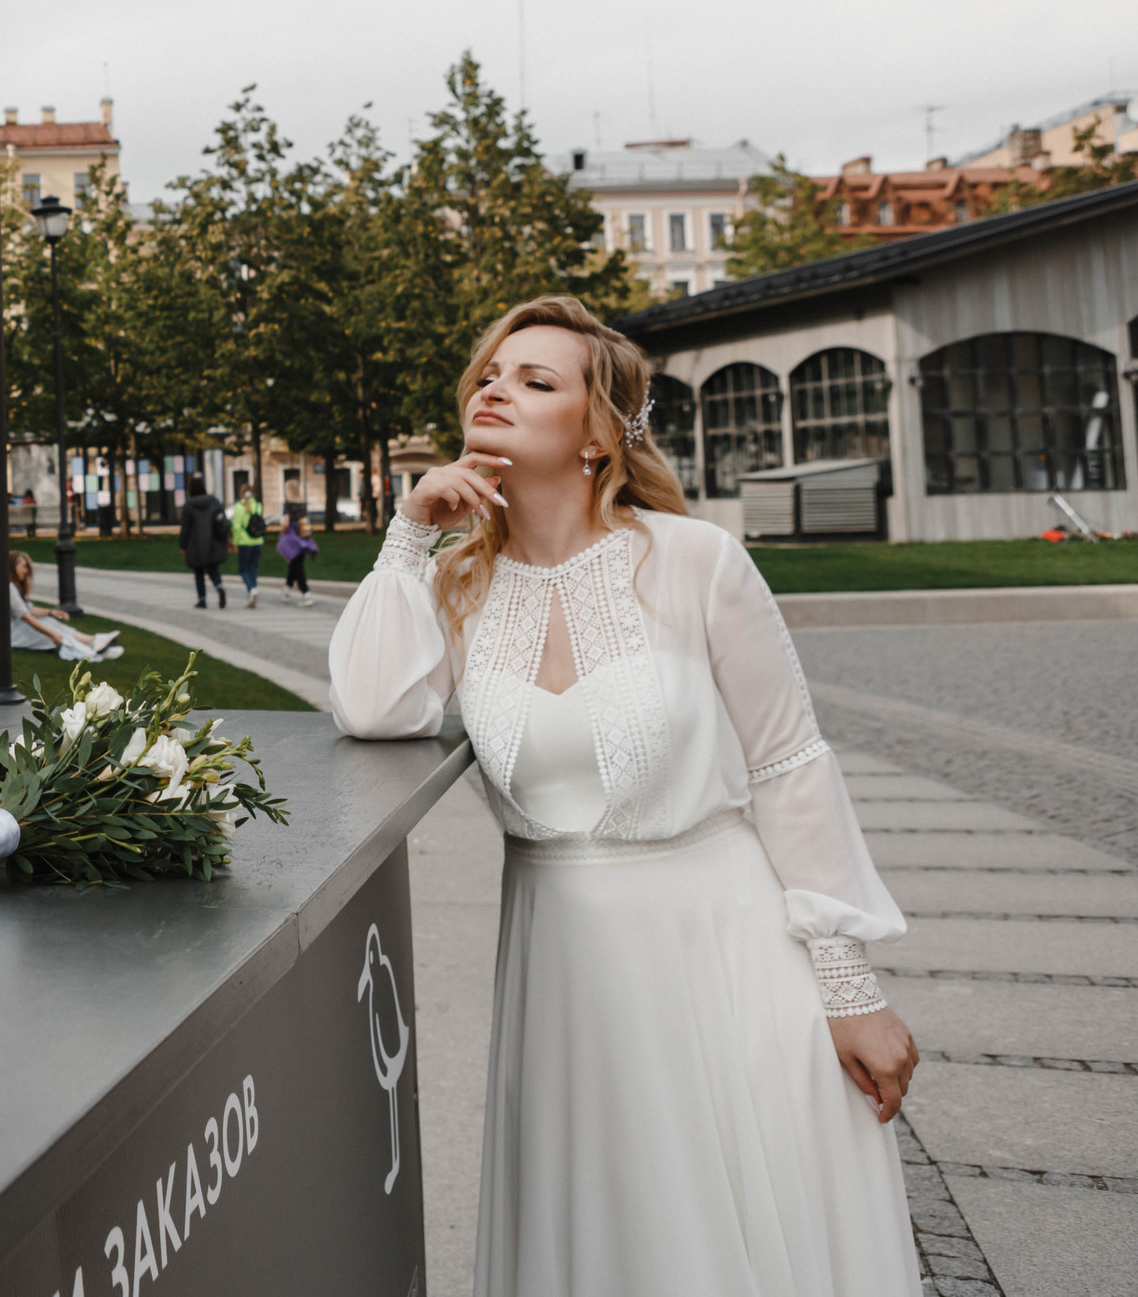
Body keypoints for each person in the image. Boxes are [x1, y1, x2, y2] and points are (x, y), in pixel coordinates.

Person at [328, 295, 918, 1296]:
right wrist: (408, 536)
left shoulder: (697, 562)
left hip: (726, 954)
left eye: (535, 379)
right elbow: (373, 706)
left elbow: (787, 766)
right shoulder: (457, 588)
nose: (495, 388)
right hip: (565, 979)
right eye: (489, 373)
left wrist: (848, 986)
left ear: (599, 435)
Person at [6, 551, 122, 662]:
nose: (26, 571)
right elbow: (26, 616)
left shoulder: (13, 587)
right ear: (12, 567)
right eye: (23, 566)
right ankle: (92, 650)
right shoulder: (10, 587)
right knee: (52, 631)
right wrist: (53, 635)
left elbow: (28, 609)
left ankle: (93, 644)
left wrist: (51, 612)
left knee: (48, 621)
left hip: (18, 629)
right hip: (14, 635)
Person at [177, 474, 230, 608]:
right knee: (213, 570)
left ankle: (202, 599)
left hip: (195, 544)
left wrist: (183, 545)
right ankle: (219, 587)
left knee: (198, 572)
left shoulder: (188, 505)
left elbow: (185, 528)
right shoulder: (214, 501)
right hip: (213, 541)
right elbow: (221, 522)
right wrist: (224, 538)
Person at [228, 485, 266, 607]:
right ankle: (252, 591)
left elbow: (237, 527)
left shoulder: (239, 507)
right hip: (258, 540)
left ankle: (251, 589)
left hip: (245, 542)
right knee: (253, 569)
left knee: (243, 569)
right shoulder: (259, 506)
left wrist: (235, 543)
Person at [275, 513, 317, 606]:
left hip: (292, 542)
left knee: (297, 568)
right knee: (295, 566)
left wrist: (283, 531)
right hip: (302, 539)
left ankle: (306, 593)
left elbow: (285, 525)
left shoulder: (289, 507)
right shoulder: (301, 505)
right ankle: (287, 589)